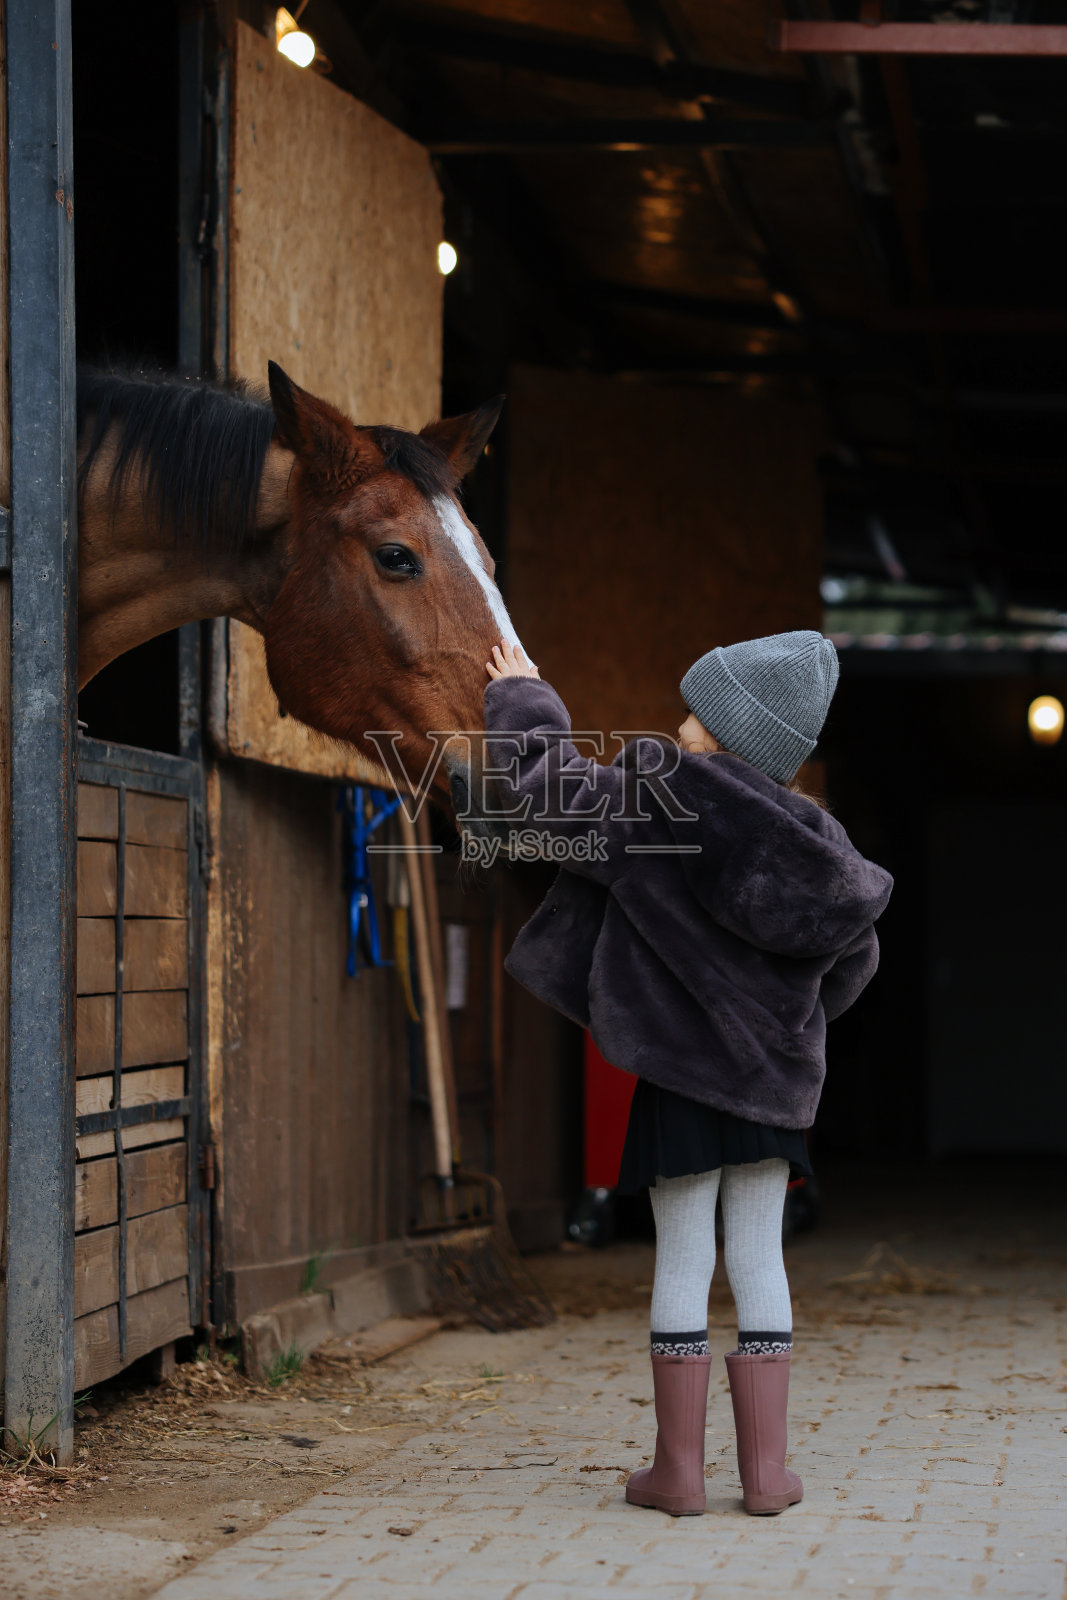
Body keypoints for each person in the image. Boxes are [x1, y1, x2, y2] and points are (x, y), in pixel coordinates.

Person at [483, 630, 893, 1518]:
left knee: (682, 1255)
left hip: (677, 1079)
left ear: (717, 730)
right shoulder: (818, 840)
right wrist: (784, 1026)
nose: (679, 718)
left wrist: (525, 699)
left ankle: (677, 1474)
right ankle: (765, 1476)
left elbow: (538, 797)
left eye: (695, 707)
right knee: (756, 1254)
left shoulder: (660, 801)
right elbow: (853, 966)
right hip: (770, 1093)